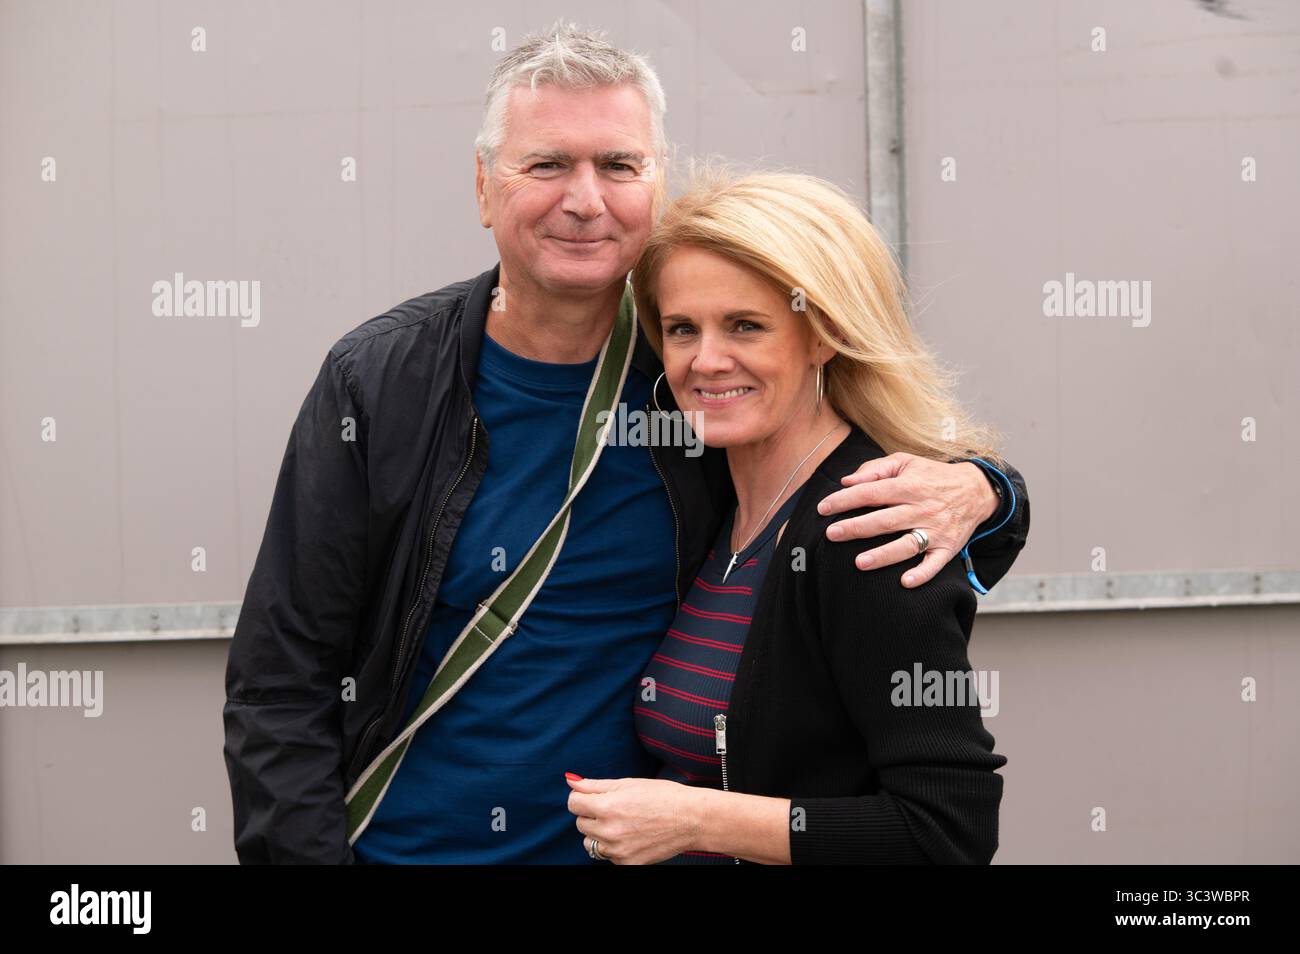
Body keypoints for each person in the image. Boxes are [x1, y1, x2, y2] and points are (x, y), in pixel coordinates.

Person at [222, 22, 1029, 864]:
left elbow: (882, 526)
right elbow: (281, 681)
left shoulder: (701, 377)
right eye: (546, 164)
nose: (584, 199)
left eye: (617, 165)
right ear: (484, 187)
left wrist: (986, 490)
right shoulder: (380, 382)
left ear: (656, 183)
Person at [566, 171, 1015, 864]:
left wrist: (694, 820)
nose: (706, 361)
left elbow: (946, 832)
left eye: (746, 325)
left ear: (824, 335)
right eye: (683, 329)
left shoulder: (866, 526)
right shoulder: (703, 492)